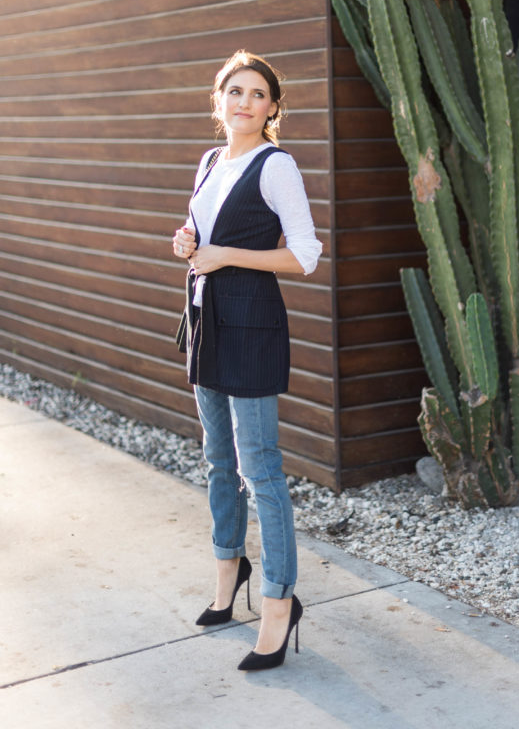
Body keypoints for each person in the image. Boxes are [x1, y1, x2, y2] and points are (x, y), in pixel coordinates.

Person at [172, 50, 322, 671]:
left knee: (260, 471)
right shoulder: (211, 161)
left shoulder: (276, 166)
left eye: (258, 94)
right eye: (235, 91)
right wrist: (188, 243)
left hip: (253, 332)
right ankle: (227, 578)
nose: (245, 102)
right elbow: (198, 238)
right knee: (216, 462)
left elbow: (306, 255)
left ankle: (280, 605)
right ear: (219, 100)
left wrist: (226, 253)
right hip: (207, 326)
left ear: (272, 108)